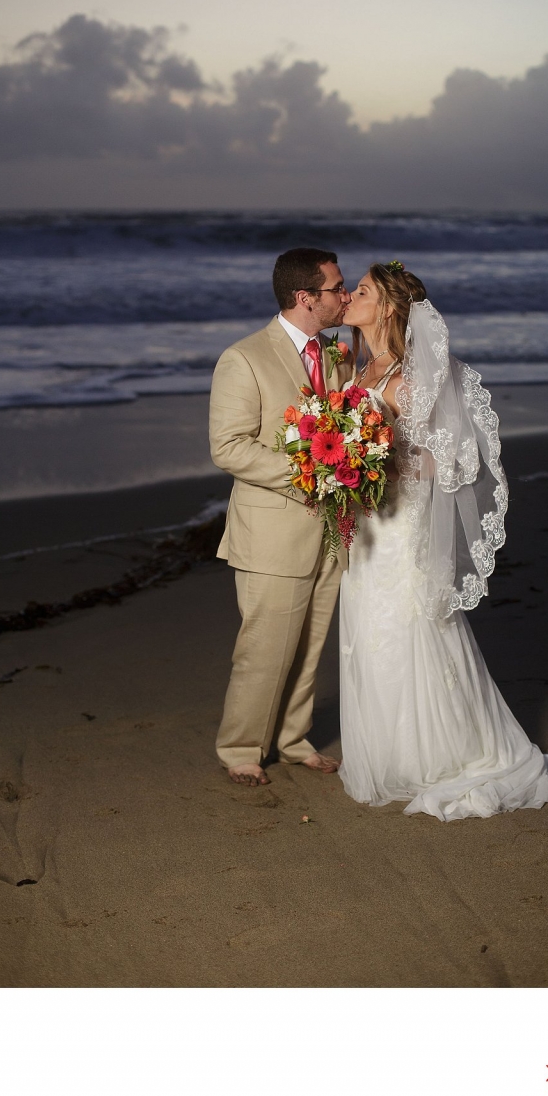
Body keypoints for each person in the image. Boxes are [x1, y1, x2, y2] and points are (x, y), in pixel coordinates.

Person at [338, 262, 548, 821]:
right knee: (367, 627)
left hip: (399, 524)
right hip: (365, 524)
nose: (350, 297)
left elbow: (445, 459)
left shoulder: (414, 376)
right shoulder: (359, 369)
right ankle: (387, 748)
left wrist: (379, 466)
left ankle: (439, 752)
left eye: (363, 292)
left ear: (390, 308)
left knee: (407, 623)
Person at [209, 248, 353, 785]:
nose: (345, 295)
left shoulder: (336, 356)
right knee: (264, 649)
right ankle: (242, 749)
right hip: (272, 530)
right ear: (304, 297)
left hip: (332, 531)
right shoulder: (244, 358)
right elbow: (228, 447)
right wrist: (310, 474)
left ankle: (293, 738)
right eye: (336, 288)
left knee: (311, 645)